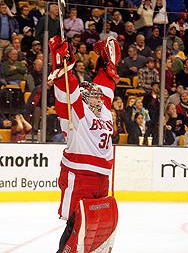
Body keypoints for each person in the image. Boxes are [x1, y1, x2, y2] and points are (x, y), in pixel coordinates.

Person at [48, 36, 119, 252]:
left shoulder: (104, 108)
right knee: (75, 226)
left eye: (98, 93)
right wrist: (62, 64)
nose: (97, 95)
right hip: (79, 176)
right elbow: (65, 89)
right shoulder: (78, 111)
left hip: (101, 178)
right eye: (91, 93)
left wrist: (108, 61)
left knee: (94, 228)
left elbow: (107, 79)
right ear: (85, 97)